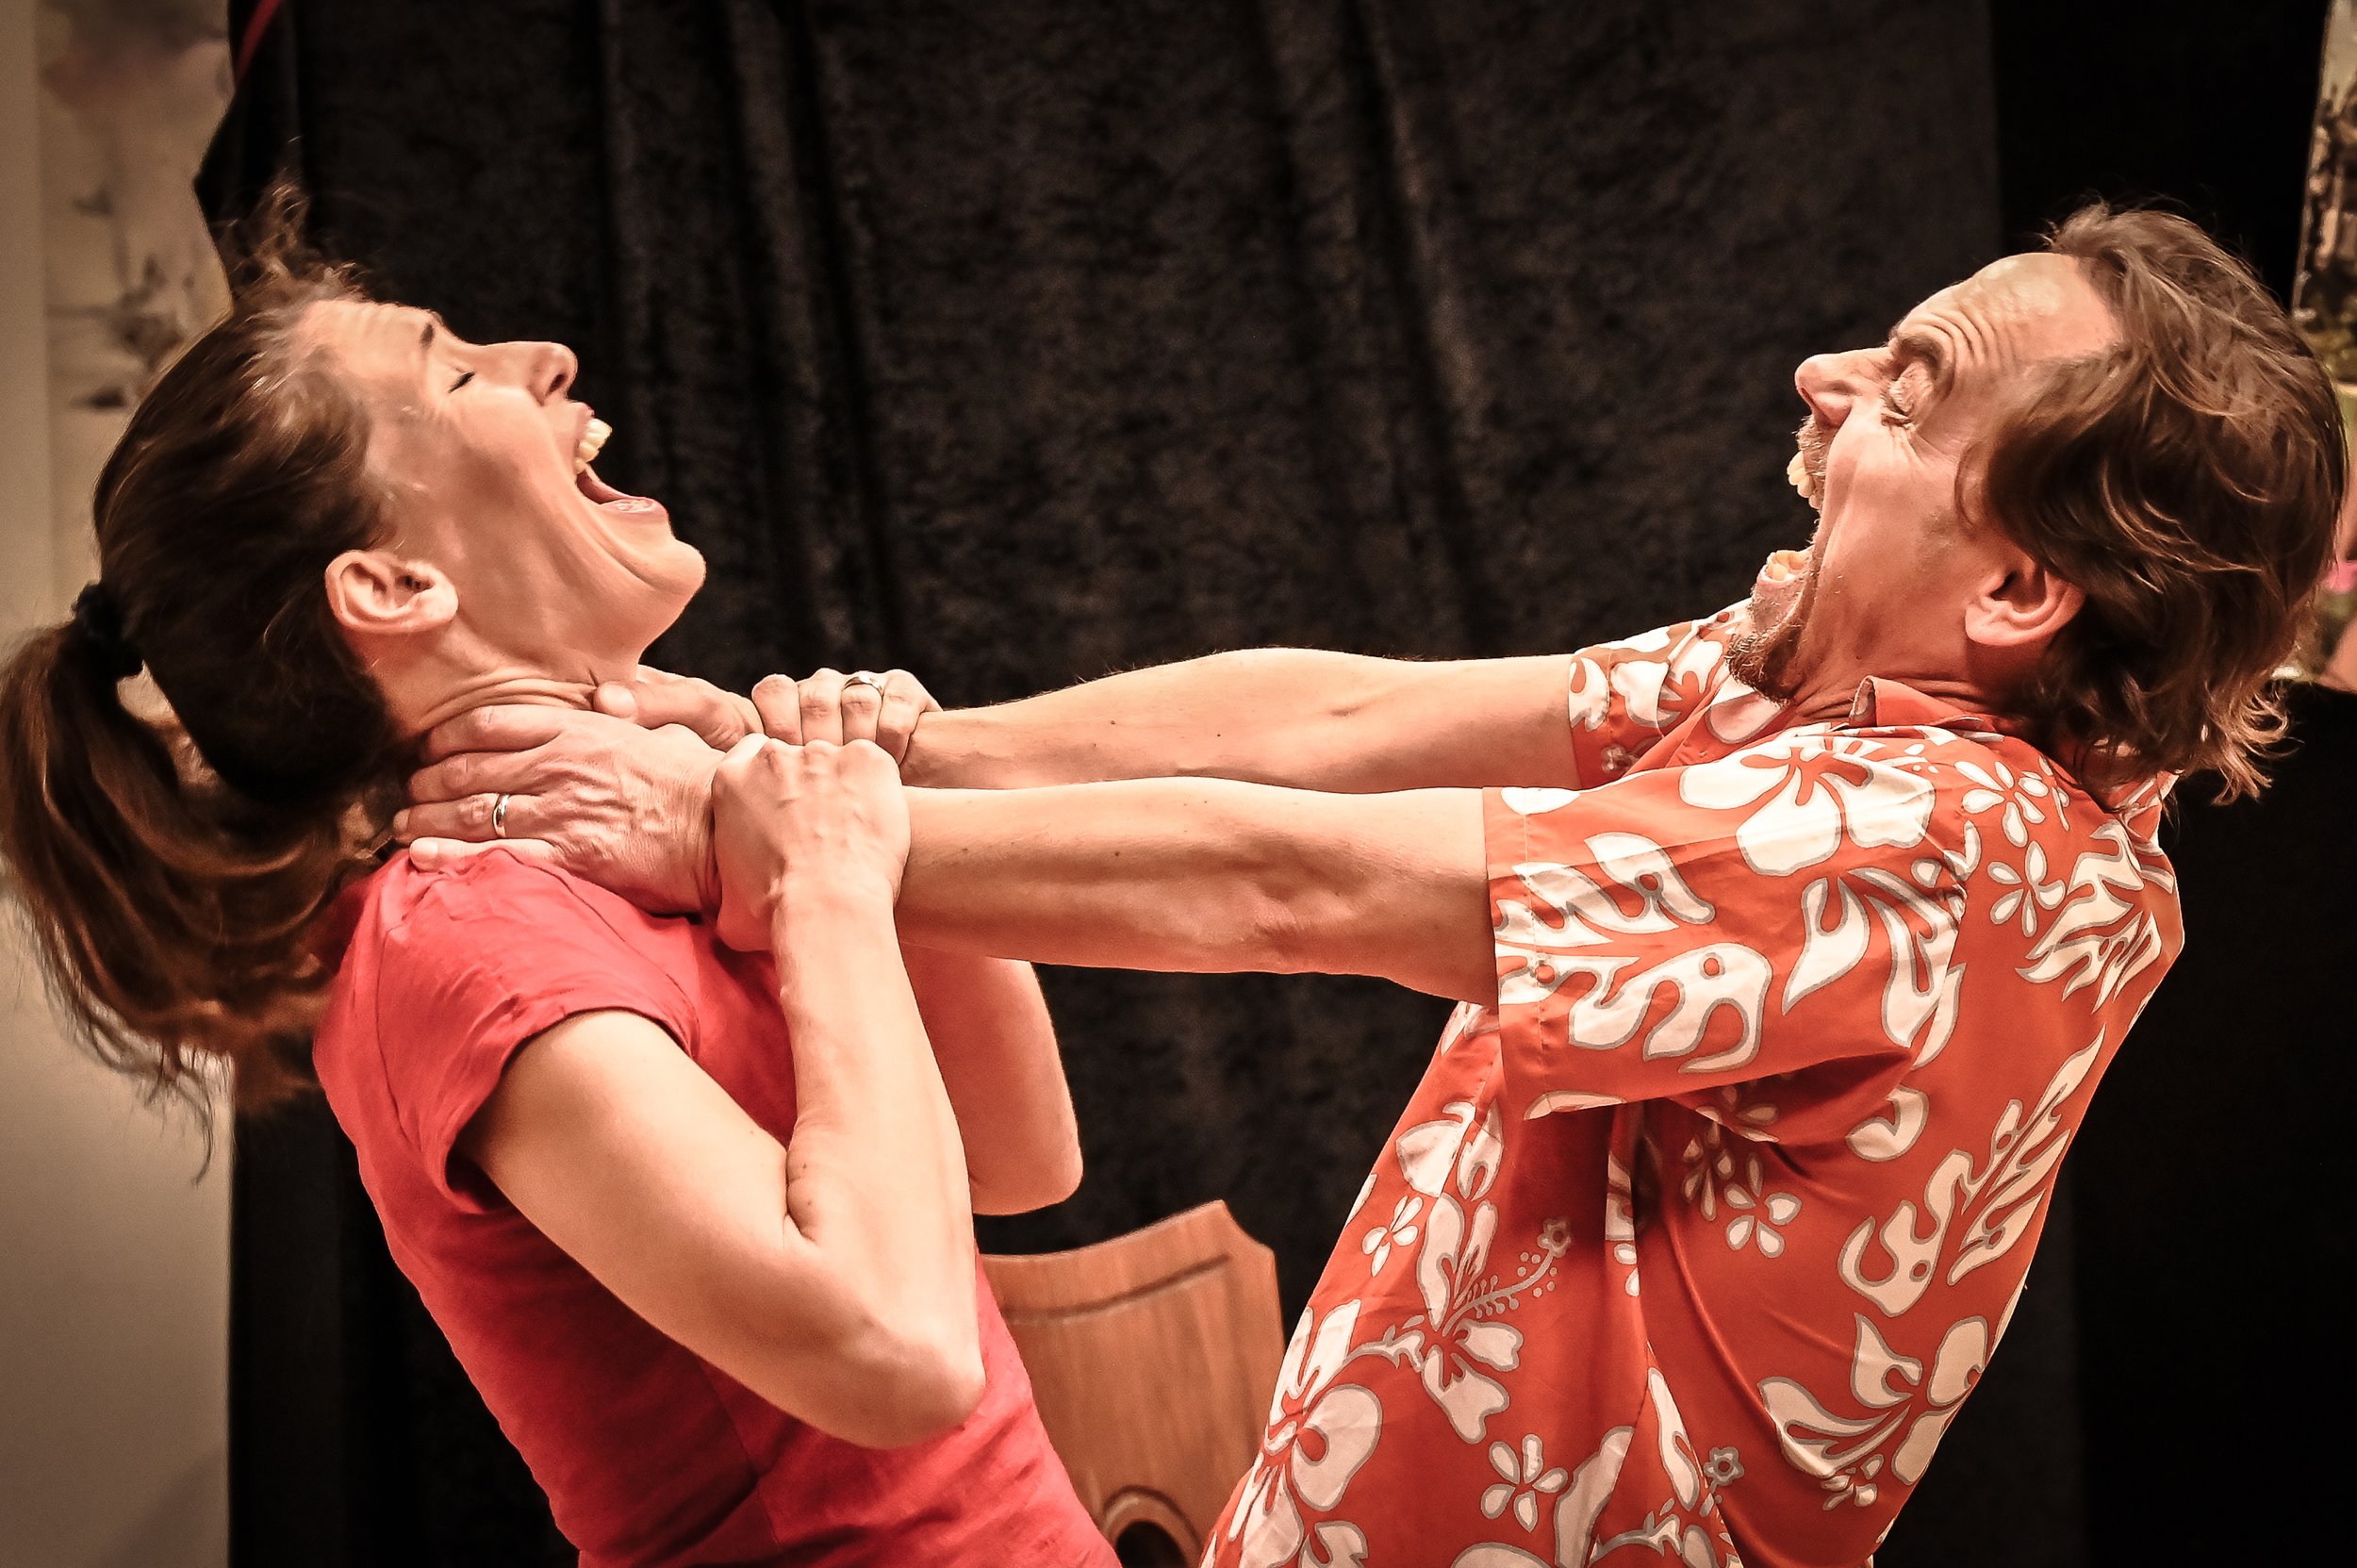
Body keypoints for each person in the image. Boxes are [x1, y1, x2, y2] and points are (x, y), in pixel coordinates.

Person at [404, 206, 2343, 1568]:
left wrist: (745, 832)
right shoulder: (1801, 676)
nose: (1824, 377)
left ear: (2019, 590)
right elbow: (1339, 719)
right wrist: (870, 755)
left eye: (1911, 394)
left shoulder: (1945, 840)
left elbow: (1289, 883)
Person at [0, 195, 1114, 1568]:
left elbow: (1019, 1156)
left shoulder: (658, 815)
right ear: (394, 586)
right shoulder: (463, 938)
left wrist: (853, 796)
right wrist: (827, 874)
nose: (547, 359)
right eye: (458, 371)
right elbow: (897, 1352)